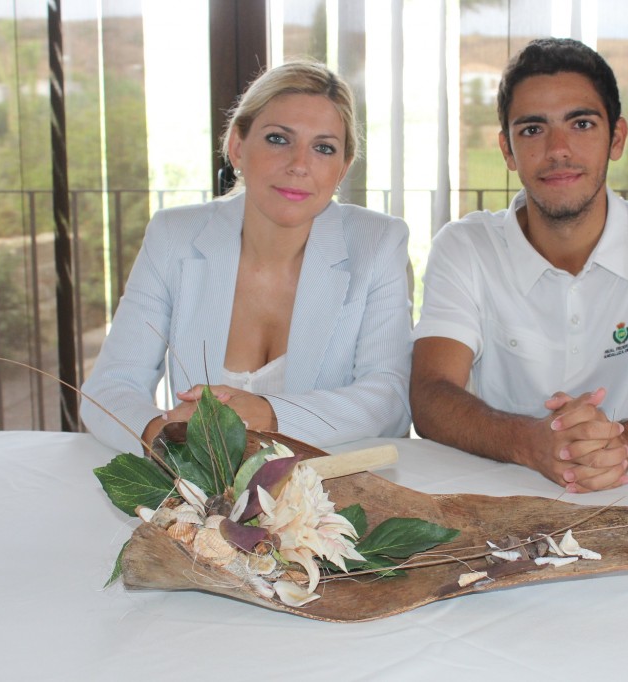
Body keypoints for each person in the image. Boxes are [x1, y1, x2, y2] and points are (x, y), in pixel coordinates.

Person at [410, 38, 628, 493]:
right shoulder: (465, 246)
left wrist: (624, 443)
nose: (558, 149)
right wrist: (531, 443)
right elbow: (430, 396)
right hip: (508, 498)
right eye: (532, 130)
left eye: (581, 124)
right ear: (507, 150)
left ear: (616, 138)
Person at [81, 60, 413, 454]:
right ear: (237, 147)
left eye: (323, 148)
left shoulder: (378, 243)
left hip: (328, 485)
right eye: (278, 139)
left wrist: (269, 415)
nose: (299, 165)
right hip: (199, 485)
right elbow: (109, 387)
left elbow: (389, 398)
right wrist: (165, 436)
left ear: (342, 170)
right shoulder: (174, 236)